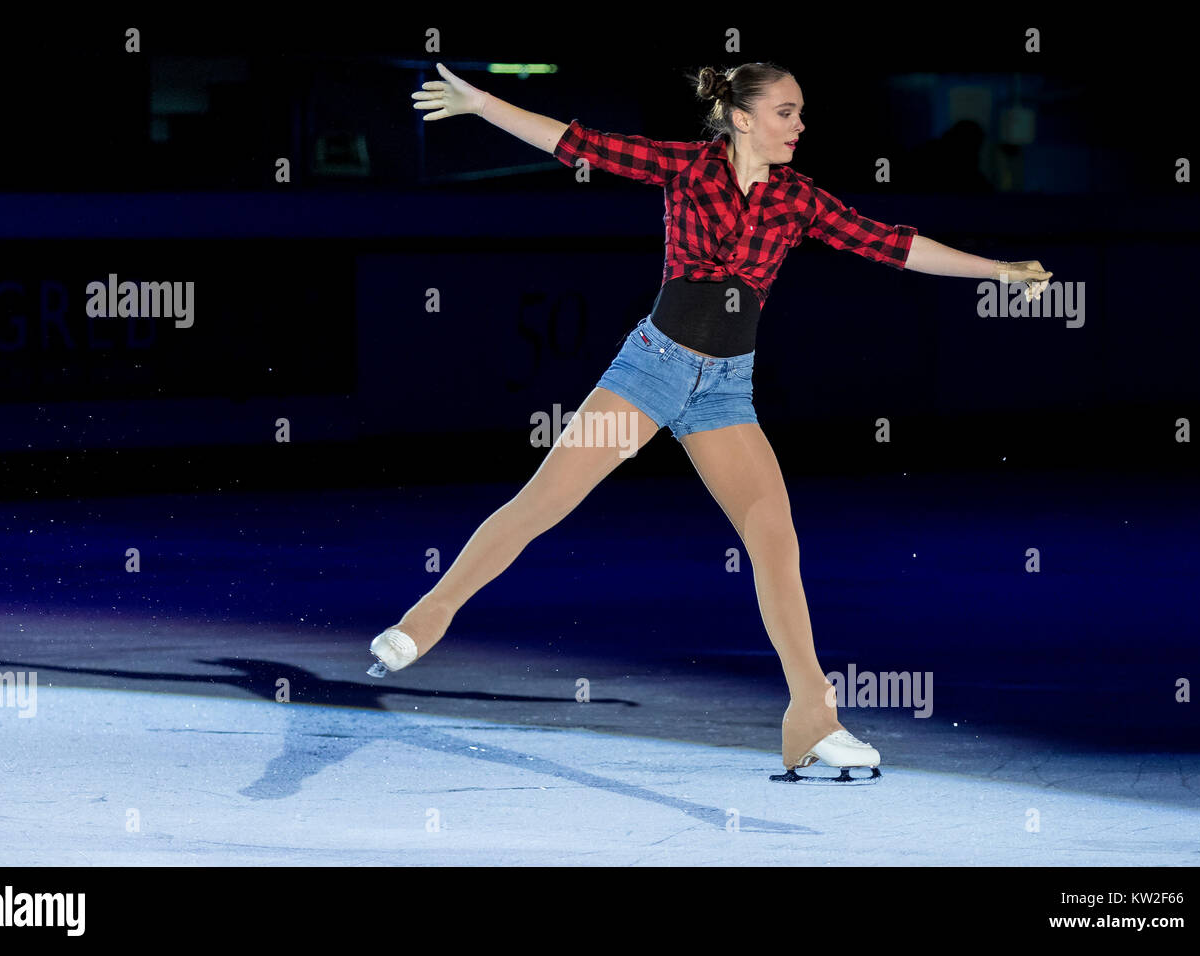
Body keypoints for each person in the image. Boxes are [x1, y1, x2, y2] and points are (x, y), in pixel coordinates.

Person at [372, 60, 1052, 782]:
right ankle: (428, 617)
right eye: (787, 112)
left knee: (775, 542)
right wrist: (481, 102)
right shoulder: (688, 168)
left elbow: (891, 243)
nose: (799, 125)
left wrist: (999, 270)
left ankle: (810, 717)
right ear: (743, 117)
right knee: (543, 502)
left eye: (800, 112)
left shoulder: (798, 199)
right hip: (649, 373)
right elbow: (577, 144)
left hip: (724, 393)